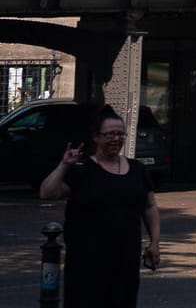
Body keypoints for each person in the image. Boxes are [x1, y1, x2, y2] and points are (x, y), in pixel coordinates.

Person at [39, 105, 160, 307]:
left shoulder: (137, 169)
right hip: (87, 262)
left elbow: (150, 206)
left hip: (125, 260)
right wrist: (64, 164)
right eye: (110, 134)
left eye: (120, 134)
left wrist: (154, 242)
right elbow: (47, 193)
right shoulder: (82, 170)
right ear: (96, 137)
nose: (116, 139)